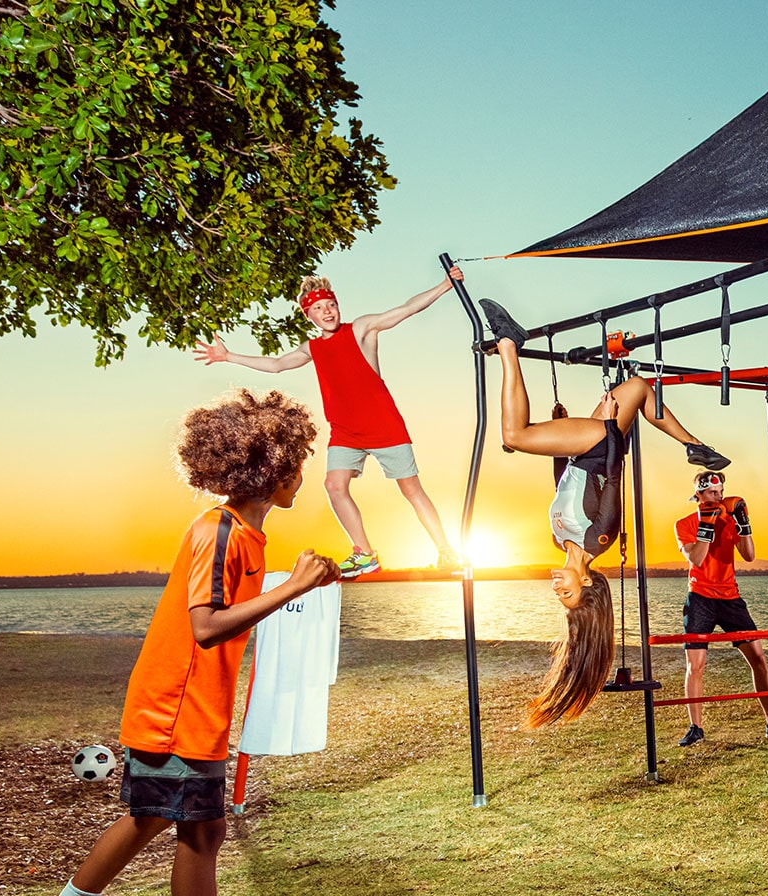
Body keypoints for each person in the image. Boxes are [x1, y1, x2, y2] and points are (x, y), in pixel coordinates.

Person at [61, 390, 339, 896]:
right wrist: (292, 587)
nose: (301, 475)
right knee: (175, 824)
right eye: (296, 464)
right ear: (269, 472)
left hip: (195, 709)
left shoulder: (245, 534)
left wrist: (310, 582)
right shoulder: (218, 530)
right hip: (174, 711)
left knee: (190, 825)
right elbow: (206, 627)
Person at [479, 299, 731, 729]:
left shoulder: (559, 540)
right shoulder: (600, 539)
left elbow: (564, 487)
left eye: (560, 596)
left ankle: (692, 445)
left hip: (579, 453)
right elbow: (614, 476)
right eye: (568, 593)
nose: (557, 588)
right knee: (514, 435)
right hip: (600, 449)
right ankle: (509, 344)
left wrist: (556, 432)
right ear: (589, 585)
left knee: (637, 388)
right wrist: (612, 429)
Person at [195, 269, 468, 576]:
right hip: (345, 432)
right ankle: (365, 554)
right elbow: (276, 365)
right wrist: (228, 356)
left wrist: (446, 284)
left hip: (385, 427)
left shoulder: (362, 329)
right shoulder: (312, 348)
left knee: (411, 490)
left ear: (338, 306)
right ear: (309, 316)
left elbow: (406, 309)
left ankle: (445, 551)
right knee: (334, 486)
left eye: (331, 305)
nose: (327, 312)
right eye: (318, 309)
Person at [672, 470, 768, 747]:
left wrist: (744, 524)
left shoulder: (729, 520)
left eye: (721, 492)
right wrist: (706, 527)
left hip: (730, 598)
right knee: (695, 665)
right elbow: (697, 559)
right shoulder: (684, 524)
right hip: (700, 598)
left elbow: (749, 556)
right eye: (713, 493)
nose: (719, 497)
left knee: (758, 657)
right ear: (699, 495)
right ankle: (696, 727)